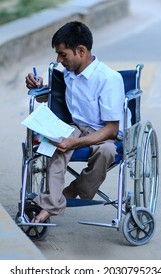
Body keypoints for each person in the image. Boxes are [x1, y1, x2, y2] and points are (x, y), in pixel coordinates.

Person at [25, 21, 131, 223]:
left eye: (63, 54)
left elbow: (111, 129)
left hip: (103, 132)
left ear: (81, 51)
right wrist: (39, 86)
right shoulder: (69, 74)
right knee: (54, 144)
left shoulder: (108, 79)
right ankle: (52, 203)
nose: (58, 60)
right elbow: (49, 96)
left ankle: (68, 194)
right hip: (75, 127)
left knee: (107, 151)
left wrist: (74, 143)